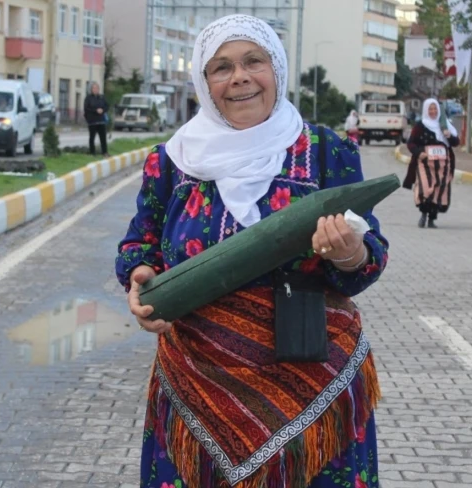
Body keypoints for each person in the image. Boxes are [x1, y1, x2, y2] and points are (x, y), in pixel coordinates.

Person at [115, 15, 388, 488]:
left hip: (313, 381)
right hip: (198, 383)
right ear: (205, 83)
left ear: (277, 70)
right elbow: (140, 242)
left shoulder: (326, 150)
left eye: (252, 61)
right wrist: (140, 276)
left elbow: (370, 255)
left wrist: (348, 254)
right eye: (221, 68)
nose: (239, 76)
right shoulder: (172, 161)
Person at [403, 98, 460, 229]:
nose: (433, 111)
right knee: (425, 187)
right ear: (426, 110)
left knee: (439, 189)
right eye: (430, 109)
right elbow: (411, 143)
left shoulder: (445, 125)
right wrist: (418, 152)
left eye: (435, 109)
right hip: (425, 162)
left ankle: (432, 219)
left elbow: (456, 142)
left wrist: (448, 135)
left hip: (443, 164)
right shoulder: (420, 126)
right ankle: (423, 214)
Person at [84, 82, 109, 157]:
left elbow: (106, 106)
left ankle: (104, 152)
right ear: (91, 89)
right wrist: (95, 110)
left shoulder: (102, 97)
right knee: (92, 137)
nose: (95, 90)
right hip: (92, 121)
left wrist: (103, 110)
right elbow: (86, 108)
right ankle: (92, 152)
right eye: (94, 88)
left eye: (97, 88)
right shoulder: (88, 98)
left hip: (101, 120)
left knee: (103, 137)